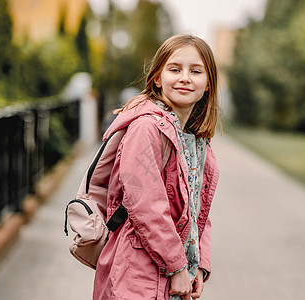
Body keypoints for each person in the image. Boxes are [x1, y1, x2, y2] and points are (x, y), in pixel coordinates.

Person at [93, 34, 221, 300]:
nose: (185, 77)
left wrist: (200, 265)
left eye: (196, 71)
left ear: (208, 83)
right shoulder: (146, 127)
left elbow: (198, 211)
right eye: (175, 69)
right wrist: (176, 266)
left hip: (177, 274)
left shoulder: (198, 141)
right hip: (138, 272)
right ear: (157, 79)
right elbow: (145, 205)